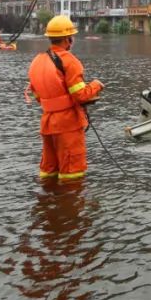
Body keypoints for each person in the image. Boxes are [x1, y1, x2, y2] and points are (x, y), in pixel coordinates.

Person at [26, 15, 104, 182]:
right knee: (72, 174)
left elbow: (37, 94)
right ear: (68, 39)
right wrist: (96, 85)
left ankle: (47, 204)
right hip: (67, 124)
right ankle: (70, 206)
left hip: (47, 122)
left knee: (49, 170)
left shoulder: (37, 61)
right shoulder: (69, 61)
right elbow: (81, 95)